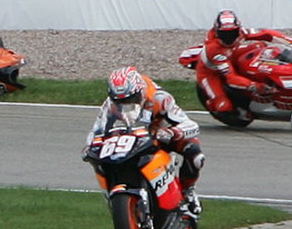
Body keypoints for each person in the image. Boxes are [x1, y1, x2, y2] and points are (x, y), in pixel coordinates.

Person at [83, 66, 206, 216]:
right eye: (121, 102)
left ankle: (188, 191)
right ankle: (116, 199)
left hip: (161, 135)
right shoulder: (110, 105)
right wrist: (90, 146)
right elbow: (97, 130)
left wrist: (172, 132)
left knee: (195, 155)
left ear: (140, 92)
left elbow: (191, 126)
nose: (126, 105)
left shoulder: (159, 98)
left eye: (131, 100)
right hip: (131, 139)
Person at [195, 9, 283, 114]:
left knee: (260, 46)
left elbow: (266, 34)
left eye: (233, 32)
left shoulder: (241, 32)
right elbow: (231, 79)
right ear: (217, 32)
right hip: (210, 73)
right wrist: (257, 86)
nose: (229, 37)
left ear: (238, 29)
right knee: (223, 107)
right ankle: (213, 103)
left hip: (230, 55)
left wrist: (288, 40)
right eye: (224, 34)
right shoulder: (213, 48)